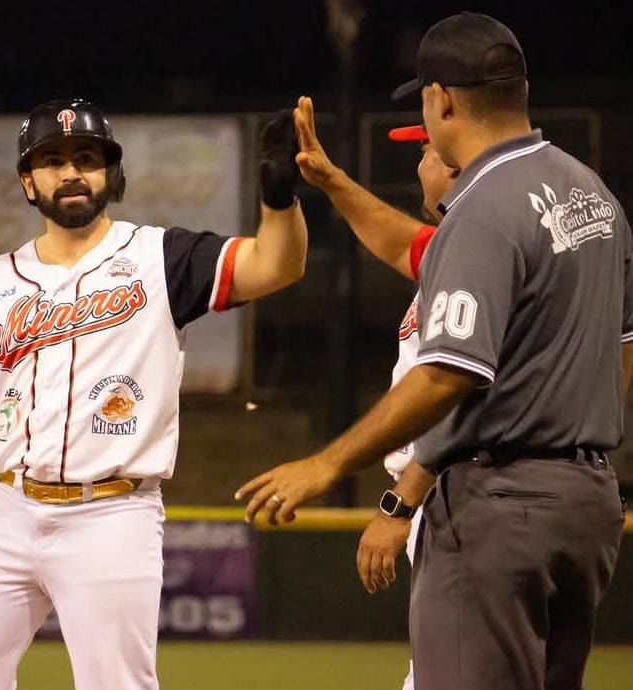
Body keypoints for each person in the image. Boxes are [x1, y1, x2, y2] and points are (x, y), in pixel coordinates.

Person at [0, 96, 308, 690]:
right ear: (28, 181)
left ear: (110, 175)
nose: (71, 172)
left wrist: (279, 200)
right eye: (52, 160)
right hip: (3, 512)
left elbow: (278, 265)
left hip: (112, 516)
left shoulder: (160, 257)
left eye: (87, 157)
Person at [237, 13, 630, 690]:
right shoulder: (587, 192)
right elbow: (620, 352)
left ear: (441, 99)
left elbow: (448, 373)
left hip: (500, 500)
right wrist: (331, 180)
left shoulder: (482, 208)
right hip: (586, 501)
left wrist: (327, 464)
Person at [288, 95, 459, 690]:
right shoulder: (455, 250)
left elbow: (460, 392)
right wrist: (331, 181)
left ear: (457, 164)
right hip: (452, 497)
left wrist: (400, 501)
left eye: (427, 151)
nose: (419, 164)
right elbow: (394, 241)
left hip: (456, 495)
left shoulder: (483, 249)